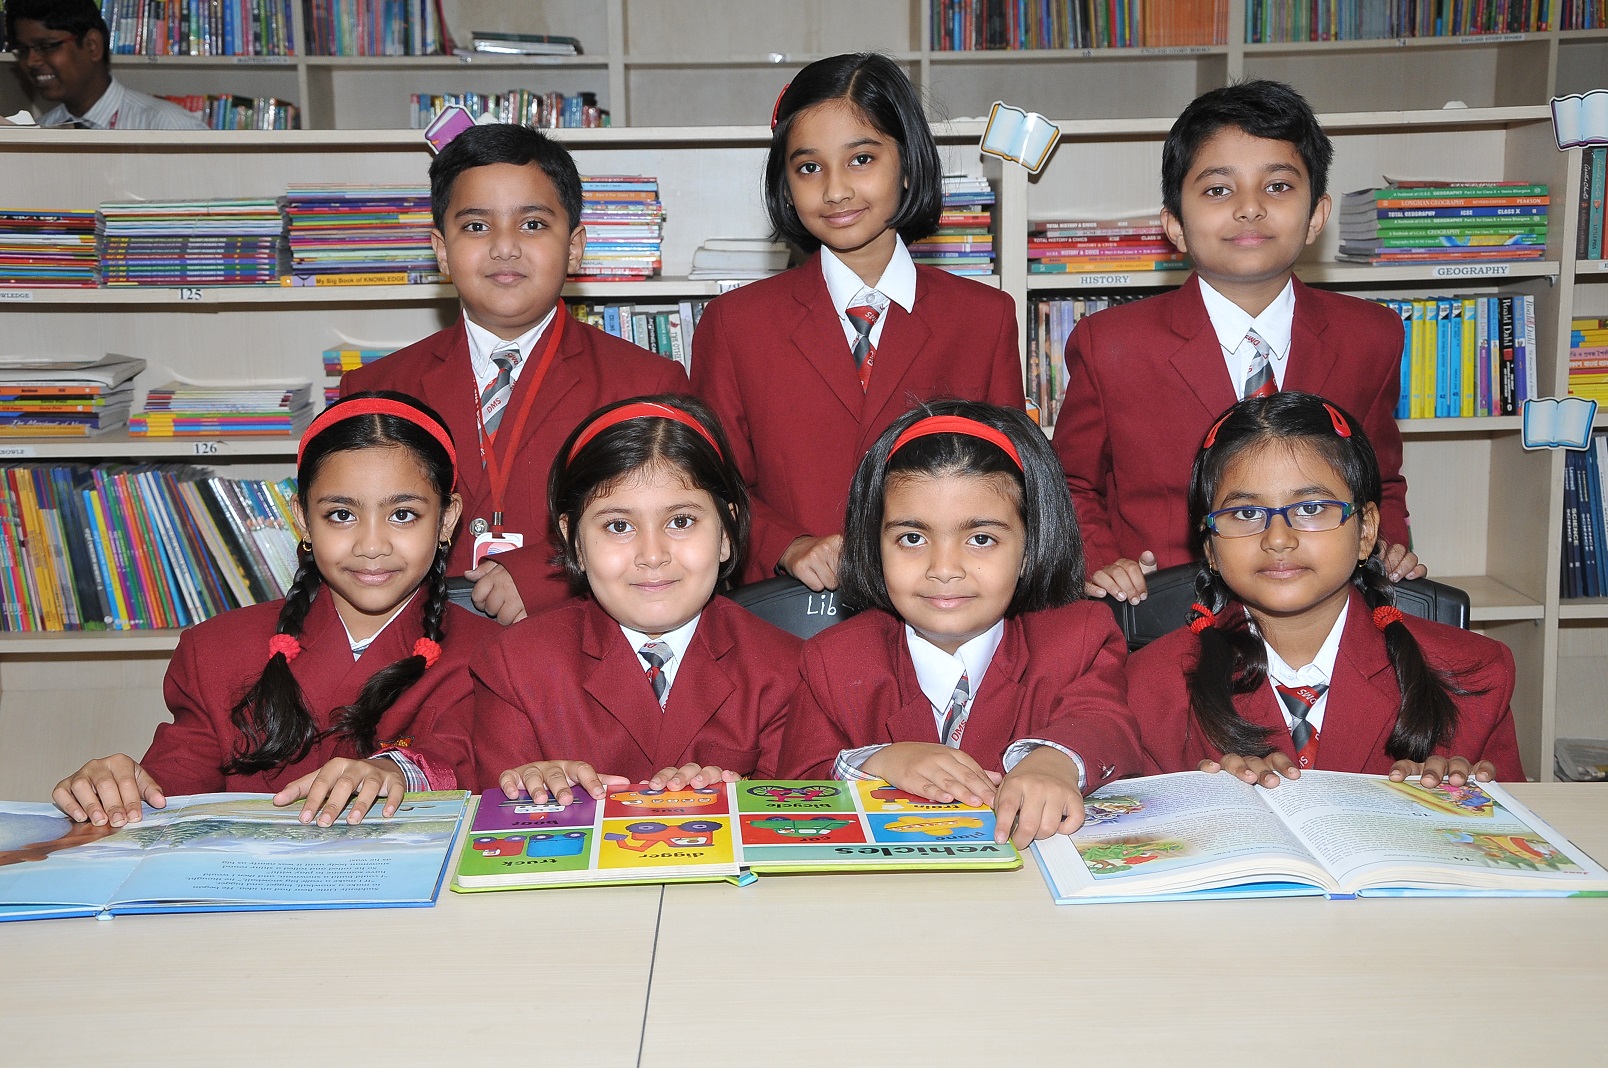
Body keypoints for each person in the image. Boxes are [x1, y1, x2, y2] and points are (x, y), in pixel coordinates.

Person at [51, 392, 501, 828]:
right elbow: (174, 786)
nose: (371, 545)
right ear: (302, 518)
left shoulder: (491, 658)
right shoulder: (215, 650)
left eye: (402, 514)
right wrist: (121, 786)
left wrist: (395, 772)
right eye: (341, 514)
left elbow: (463, 761)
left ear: (446, 519)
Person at [1053, 79, 1422, 605]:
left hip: (1320, 607)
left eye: (1278, 186)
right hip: (1165, 611)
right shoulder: (1111, 344)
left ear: (1317, 215)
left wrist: (1389, 546)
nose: (1250, 208)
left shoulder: (1370, 336)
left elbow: (1380, 481)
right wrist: (1102, 562)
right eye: (1218, 190)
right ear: (1174, 225)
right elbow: (1071, 485)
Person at [691, 52, 1025, 591]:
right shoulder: (735, 325)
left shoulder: (984, 318)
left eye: (861, 159)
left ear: (908, 163)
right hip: (791, 611)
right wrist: (787, 545)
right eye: (809, 168)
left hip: (944, 599)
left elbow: (1010, 485)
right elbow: (710, 484)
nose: (835, 190)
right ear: (785, 182)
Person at [343, 123, 689, 624]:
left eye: (532, 224)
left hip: (582, 641)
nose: (505, 248)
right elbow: (348, 536)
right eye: (476, 227)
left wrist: (548, 574)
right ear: (441, 249)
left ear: (574, 246)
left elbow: (677, 534)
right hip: (421, 642)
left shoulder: (647, 385)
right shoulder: (375, 391)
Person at [777, 400, 1141, 847]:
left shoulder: (1077, 638)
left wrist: (1054, 761)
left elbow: (1105, 724)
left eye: (981, 539)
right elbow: (793, 787)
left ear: (1030, 545)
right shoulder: (834, 660)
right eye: (912, 538)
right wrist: (878, 762)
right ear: (874, 546)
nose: (944, 568)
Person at [1129, 391, 1522, 787]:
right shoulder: (1148, 687)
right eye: (1246, 513)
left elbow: (1515, 824)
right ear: (1210, 547)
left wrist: (1462, 802)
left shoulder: (1477, 674)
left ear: (1366, 531)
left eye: (1311, 508)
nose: (1278, 539)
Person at [472, 395, 803, 804]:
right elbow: (497, 818)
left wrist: (738, 800)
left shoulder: (785, 671)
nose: (652, 554)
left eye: (681, 521)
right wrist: (527, 792)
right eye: (619, 526)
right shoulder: (515, 667)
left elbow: (798, 820)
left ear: (725, 532)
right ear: (574, 541)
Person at [4, 0, 206, 130]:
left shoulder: (168, 127)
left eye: (46, 46)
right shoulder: (42, 131)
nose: (31, 61)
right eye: (23, 50)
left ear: (92, 45)